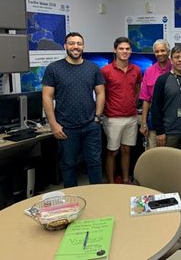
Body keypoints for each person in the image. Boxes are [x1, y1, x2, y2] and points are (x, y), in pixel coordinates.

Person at [42, 32, 105, 187]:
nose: (75, 46)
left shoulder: (93, 68)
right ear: (65, 46)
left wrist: (97, 117)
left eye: (79, 43)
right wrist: (53, 124)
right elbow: (47, 97)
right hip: (66, 127)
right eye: (71, 43)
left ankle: (99, 195)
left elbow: (101, 92)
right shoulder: (54, 69)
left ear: (83, 46)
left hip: (91, 125)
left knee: (95, 163)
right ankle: (72, 201)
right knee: (68, 165)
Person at [101, 37, 142, 184]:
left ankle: (125, 180)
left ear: (131, 51)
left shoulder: (136, 70)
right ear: (115, 50)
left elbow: (137, 90)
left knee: (126, 150)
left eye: (127, 49)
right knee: (112, 151)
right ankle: (111, 183)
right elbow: (101, 93)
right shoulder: (105, 71)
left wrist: (131, 103)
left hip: (131, 117)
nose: (124, 51)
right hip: (112, 118)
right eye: (121, 49)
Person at [150, 45, 181, 155]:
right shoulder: (162, 80)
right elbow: (155, 107)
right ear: (171, 59)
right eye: (176, 57)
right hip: (168, 133)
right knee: (167, 166)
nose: (180, 60)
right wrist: (160, 132)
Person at [139, 39, 172, 149]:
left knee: (171, 156)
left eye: (163, 50)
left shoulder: (176, 69)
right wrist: (144, 123)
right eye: (157, 51)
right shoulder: (149, 71)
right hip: (154, 121)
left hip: (173, 122)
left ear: (168, 51)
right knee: (152, 153)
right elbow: (145, 99)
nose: (160, 54)